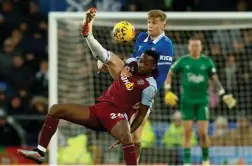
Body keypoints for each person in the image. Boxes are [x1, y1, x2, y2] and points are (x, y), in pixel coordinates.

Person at [17, 49, 158, 165]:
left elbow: (141, 115)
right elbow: (113, 59)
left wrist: (129, 131)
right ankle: (40, 152)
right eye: (141, 60)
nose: (141, 64)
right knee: (56, 109)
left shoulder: (149, 86)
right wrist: (102, 62)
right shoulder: (132, 63)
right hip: (98, 110)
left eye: (146, 63)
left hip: (116, 115)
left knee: (127, 137)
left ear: (153, 67)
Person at [81, 8, 173, 161]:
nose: (150, 25)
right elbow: (133, 60)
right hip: (128, 81)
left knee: (135, 136)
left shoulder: (166, 45)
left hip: (143, 89)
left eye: (155, 23)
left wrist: (147, 93)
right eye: (149, 22)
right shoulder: (142, 37)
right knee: (109, 59)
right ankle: (89, 37)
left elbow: (162, 73)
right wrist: (116, 64)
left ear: (164, 25)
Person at [164, 37, 236, 165]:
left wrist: (223, 94)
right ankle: (186, 163)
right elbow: (169, 73)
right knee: (187, 133)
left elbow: (215, 80)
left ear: (201, 47)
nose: (195, 48)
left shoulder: (207, 61)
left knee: (203, 133)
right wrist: (167, 90)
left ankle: (205, 161)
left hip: (202, 101)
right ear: (188, 47)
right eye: (192, 45)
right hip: (187, 102)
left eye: (197, 45)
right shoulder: (183, 61)